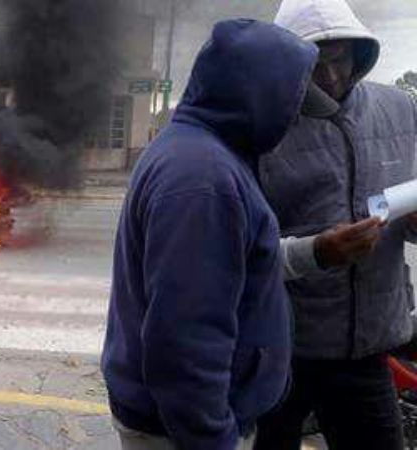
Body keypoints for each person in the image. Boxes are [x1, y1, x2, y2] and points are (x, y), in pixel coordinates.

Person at [101, 19, 318, 450]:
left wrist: (318, 253)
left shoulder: (200, 150)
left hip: (174, 420)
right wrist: (213, 438)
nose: (296, 112)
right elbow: (186, 341)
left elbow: (232, 268)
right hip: (181, 431)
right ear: (257, 92)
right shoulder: (205, 178)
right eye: (291, 95)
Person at [254, 0, 417, 448]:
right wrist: (319, 252)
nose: (329, 77)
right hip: (282, 348)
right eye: (313, 64)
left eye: (340, 59)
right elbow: (242, 250)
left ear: (360, 54)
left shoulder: (400, 110)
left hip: (368, 349)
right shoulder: (265, 124)